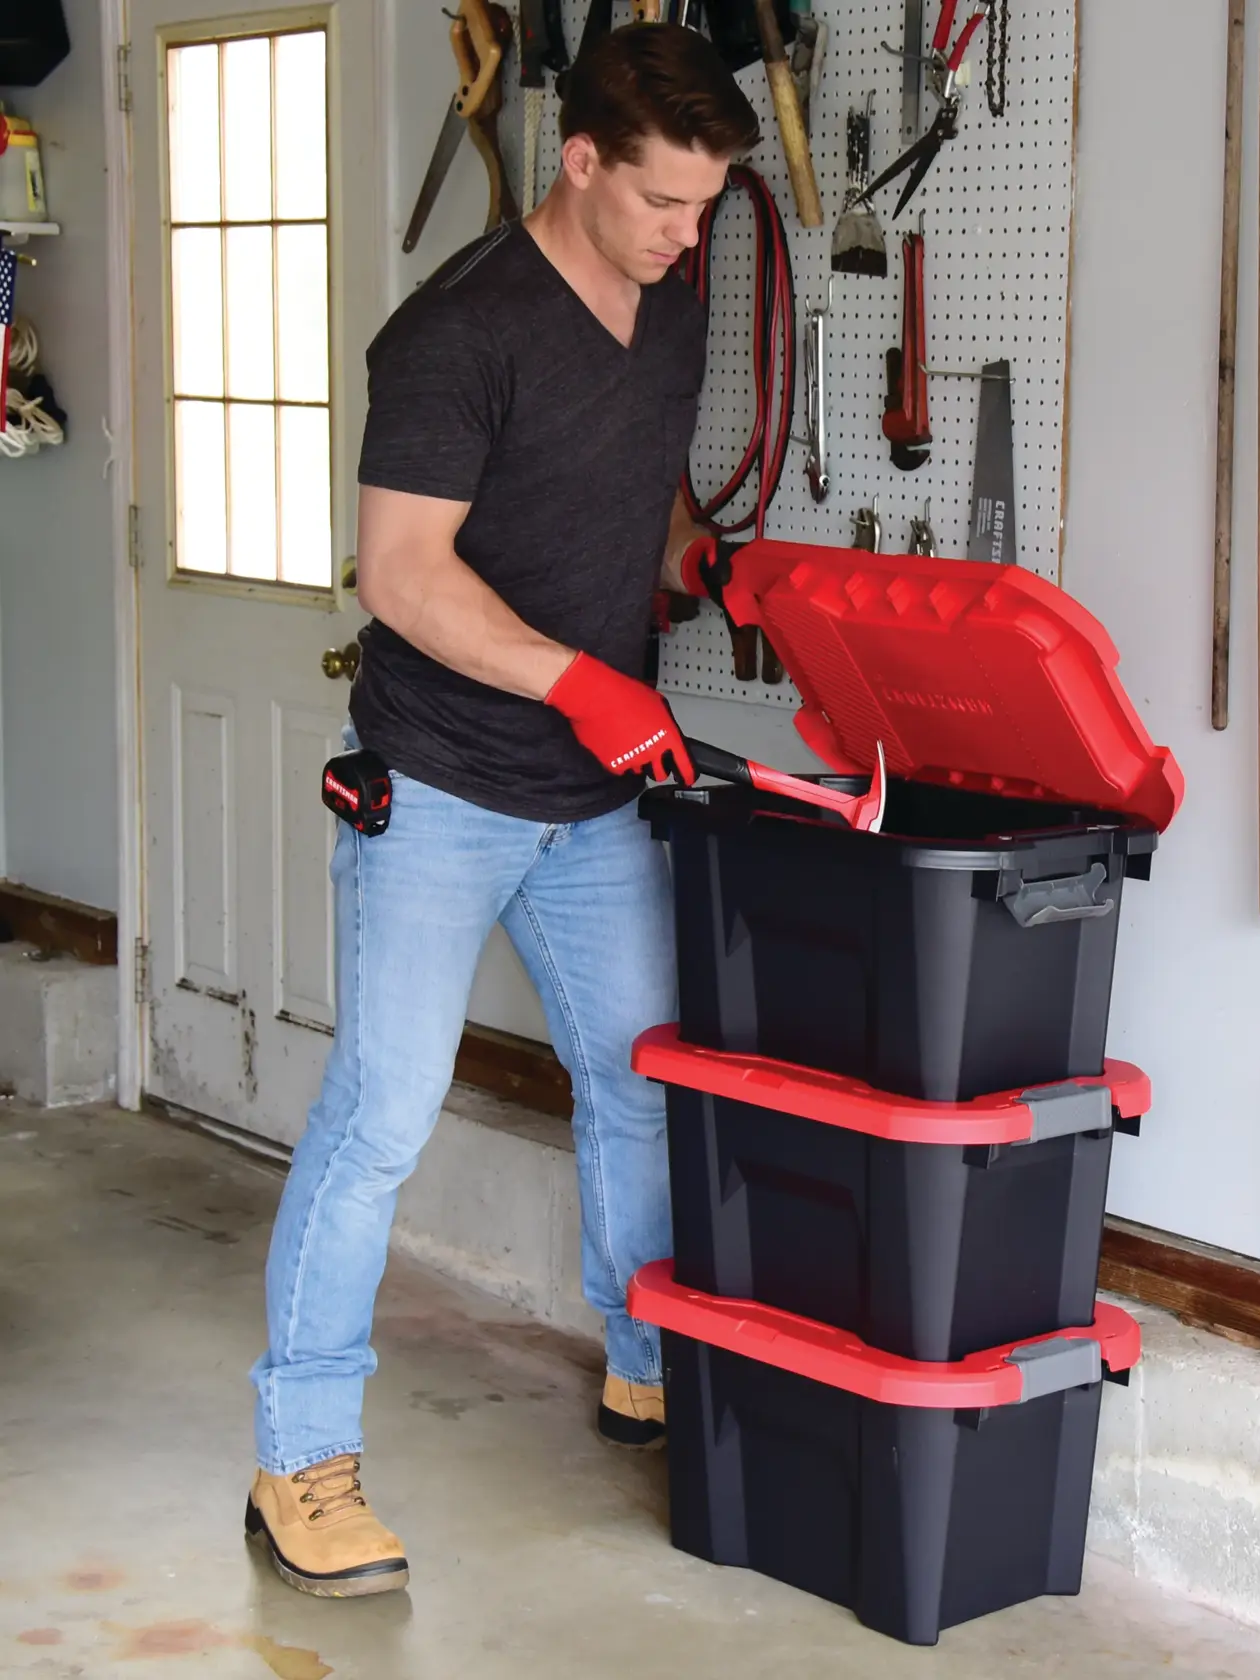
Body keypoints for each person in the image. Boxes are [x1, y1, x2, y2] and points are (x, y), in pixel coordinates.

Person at [242, 23, 757, 1600]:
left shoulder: (666, 317)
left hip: (590, 802)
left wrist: (709, 572)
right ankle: (302, 1461)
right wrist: (580, 683)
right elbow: (403, 578)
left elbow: (626, 492)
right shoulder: (455, 333)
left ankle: (644, 1357)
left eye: (707, 211)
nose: (688, 240)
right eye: (665, 203)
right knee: (382, 1114)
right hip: (444, 785)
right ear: (578, 160)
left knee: (639, 1077)